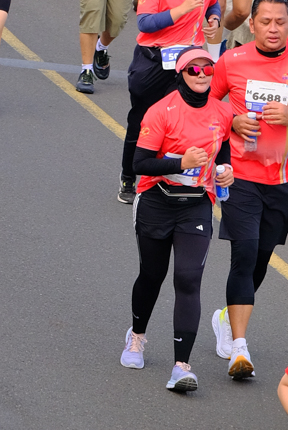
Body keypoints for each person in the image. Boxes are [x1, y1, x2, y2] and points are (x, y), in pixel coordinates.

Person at [121, 45, 235, 393]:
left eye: (207, 69)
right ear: (181, 74)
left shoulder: (222, 111)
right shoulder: (161, 111)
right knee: (152, 275)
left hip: (196, 204)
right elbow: (140, 163)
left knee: (188, 279)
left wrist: (225, 169)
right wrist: (180, 163)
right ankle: (137, 335)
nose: (201, 75)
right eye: (193, 70)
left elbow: (222, 148)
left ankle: (181, 366)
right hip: (157, 200)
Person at [210, 0, 288, 385]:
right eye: (266, 21)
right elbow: (207, 102)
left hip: (282, 181)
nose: (274, 29)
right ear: (251, 24)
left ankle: (227, 317)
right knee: (243, 253)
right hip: (240, 176)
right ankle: (240, 348)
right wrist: (232, 119)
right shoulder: (233, 60)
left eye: (281, 22)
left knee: (260, 257)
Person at [120, 0, 221, 203]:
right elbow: (145, 23)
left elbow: (213, 3)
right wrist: (182, 9)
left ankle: (172, 179)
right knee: (141, 121)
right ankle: (128, 176)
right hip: (153, 61)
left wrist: (214, 18)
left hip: (188, 65)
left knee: (183, 123)